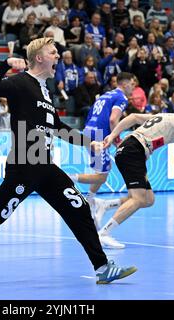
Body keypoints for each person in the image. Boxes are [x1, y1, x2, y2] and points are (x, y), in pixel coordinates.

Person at [0, 37, 137, 287]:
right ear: (39, 57)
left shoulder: (45, 91)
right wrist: (6, 63)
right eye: (53, 53)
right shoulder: (20, 83)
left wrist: (87, 143)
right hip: (23, 165)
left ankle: (102, 268)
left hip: (45, 166)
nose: (58, 57)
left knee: (79, 207)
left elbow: (58, 128)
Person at [90, 112, 174, 248]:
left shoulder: (165, 116)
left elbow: (133, 117)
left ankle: (105, 205)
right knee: (139, 199)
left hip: (131, 150)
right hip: (133, 151)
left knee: (148, 199)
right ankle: (104, 234)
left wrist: (113, 135)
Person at [69, 72, 135, 241]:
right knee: (101, 176)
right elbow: (114, 120)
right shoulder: (121, 98)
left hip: (90, 130)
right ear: (125, 84)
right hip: (99, 134)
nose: (133, 88)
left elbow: (91, 114)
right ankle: (68, 178)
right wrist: (117, 140)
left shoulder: (105, 95)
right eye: (132, 84)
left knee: (103, 172)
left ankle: (90, 200)